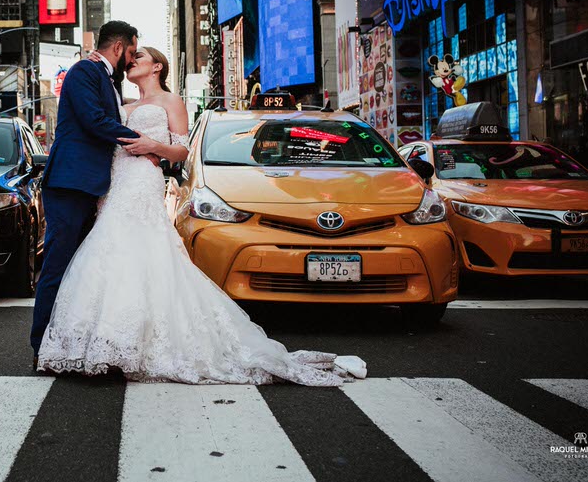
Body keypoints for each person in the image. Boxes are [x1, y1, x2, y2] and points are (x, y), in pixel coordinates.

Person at [36, 45, 366, 386]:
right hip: (115, 181)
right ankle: (109, 344)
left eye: (140, 58)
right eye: (130, 57)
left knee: (141, 248)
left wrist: (154, 148)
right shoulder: (122, 104)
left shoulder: (171, 101)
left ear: (157, 68)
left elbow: (182, 150)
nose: (132, 62)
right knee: (112, 255)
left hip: (142, 181)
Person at [29, 21, 151, 363]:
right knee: (57, 265)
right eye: (130, 52)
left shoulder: (108, 81)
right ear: (118, 47)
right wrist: (141, 143)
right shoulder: (84, 71)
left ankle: (69, 345)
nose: (130, 60)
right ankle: (40, 348)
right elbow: (94, 121)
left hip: (91, 187)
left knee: (81, 272)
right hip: (69, 184)